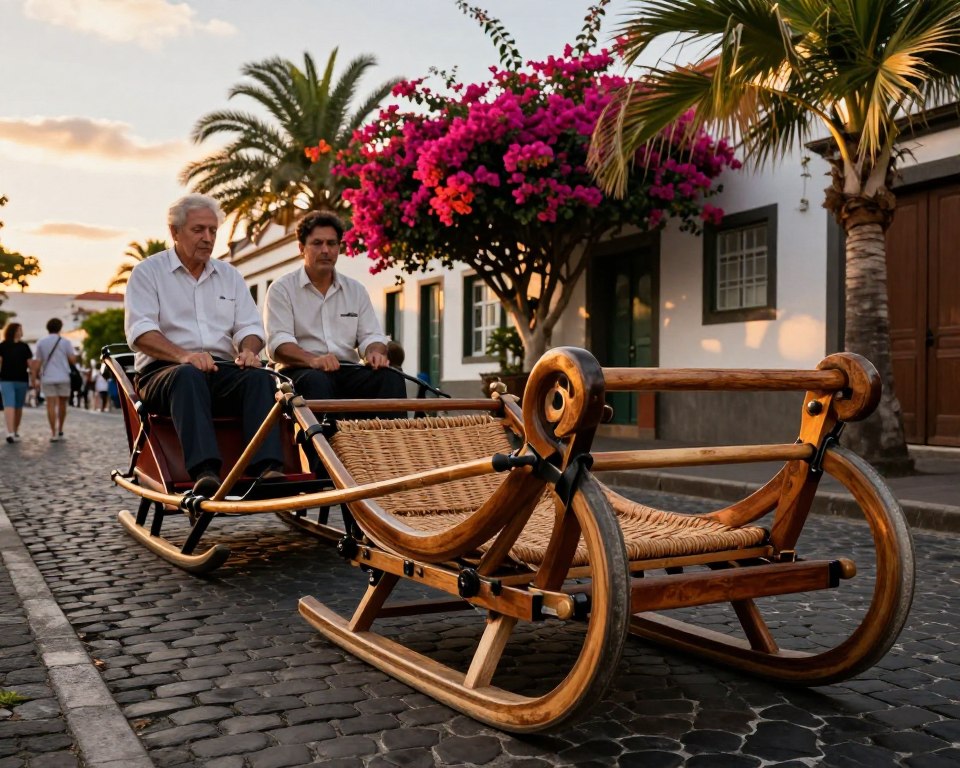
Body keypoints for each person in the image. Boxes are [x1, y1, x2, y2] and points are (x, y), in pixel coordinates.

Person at [124, 193, 284, 496]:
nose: (208, 238)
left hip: (220, 370)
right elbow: (141, 331)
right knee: (187, 375)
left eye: (213, 231)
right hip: (163, 373)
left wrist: (249, 350)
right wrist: (183, 356)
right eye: (199, 230)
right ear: (175, 232)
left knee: (260, 376)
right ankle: (205, 472)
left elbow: (250, 327)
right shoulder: (148, 272)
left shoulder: (230, 276)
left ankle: (267, 468)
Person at [264, 211, 405, 420]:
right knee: (316, 381)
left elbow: (371, 336)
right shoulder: (281, 289)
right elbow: (279, 345)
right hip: (300, 372)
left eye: (332, 243)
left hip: (347, 370)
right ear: (301, 248)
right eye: (317, 243)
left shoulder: (356, 290)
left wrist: (375, 352)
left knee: (390, 377)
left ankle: (390, 448)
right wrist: (314, 360)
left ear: (339, 247)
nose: (325, 250)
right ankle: (325, 451)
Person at [31, 318, 78, 442]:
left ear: (48, 328)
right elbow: (73, 360)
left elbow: (38, 361)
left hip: (47, 377)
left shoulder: (41, 342)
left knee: (50, 405)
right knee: (62, 405)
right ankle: (61, 429)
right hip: (63, 376)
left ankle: (53, 433)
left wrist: (34, 377)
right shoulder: (65, 342)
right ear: (60, 328)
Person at [0, 322, 33, 444]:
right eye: (19, 329)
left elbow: (30, 364)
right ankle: (10, 432)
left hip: (21, 380)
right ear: (14, 331)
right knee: (9, 405)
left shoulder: (24, 347)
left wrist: (34, 378)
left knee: (18, 407)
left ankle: (14, 430)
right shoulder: (2, 346)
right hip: (6, 379)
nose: (21, 331)